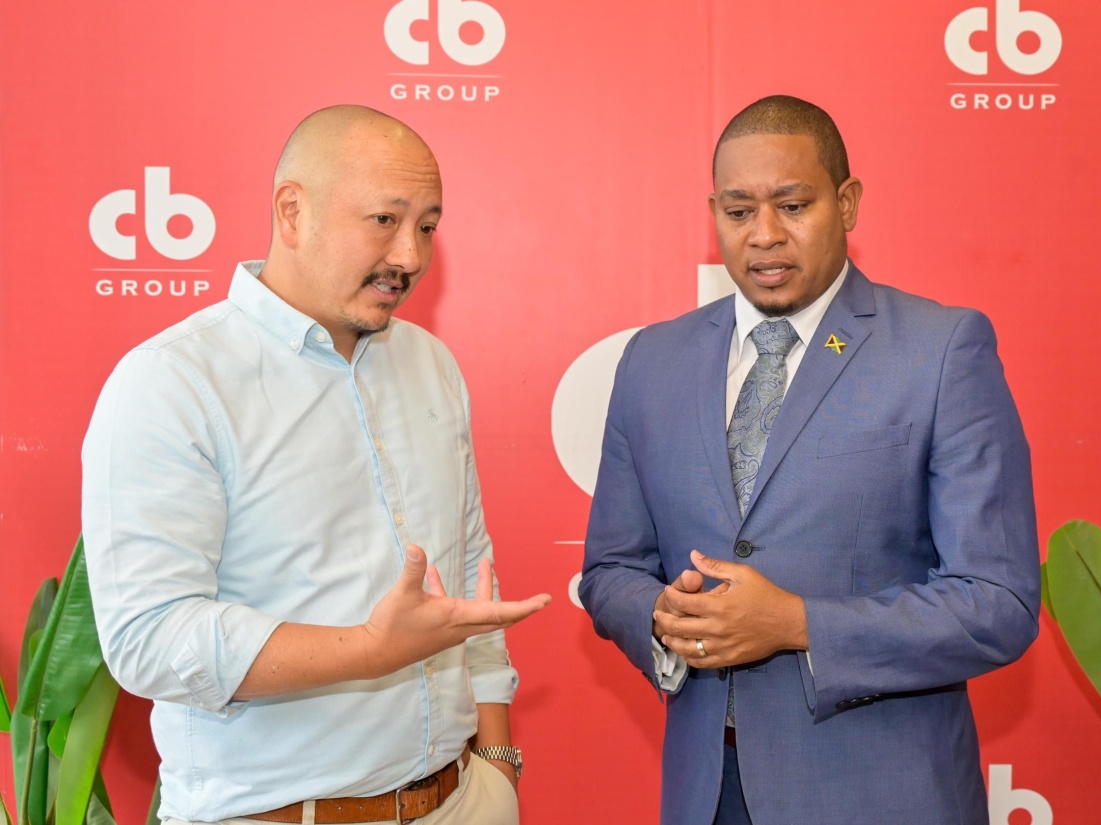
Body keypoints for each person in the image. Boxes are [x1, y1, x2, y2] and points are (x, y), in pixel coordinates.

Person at [82, 105, 550, 825]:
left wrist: (497, 763)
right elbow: (149, 639)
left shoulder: (430, 365)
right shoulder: (172, 382)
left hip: (462, 797)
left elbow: (468, 569)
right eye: (384, 221)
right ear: (292, 212)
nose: (411, 256)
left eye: (427, 226)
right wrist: (366, 649)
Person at [579, 95, 1040, 824]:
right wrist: (661, 615)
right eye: (738, 212)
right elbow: (610, 568)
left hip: (885, 796)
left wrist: (798, 623)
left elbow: (999, 601)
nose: (765, 236)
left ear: (847, 202)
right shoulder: (652, 361)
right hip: (708, 793)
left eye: (793, 205)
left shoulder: (942, 350)